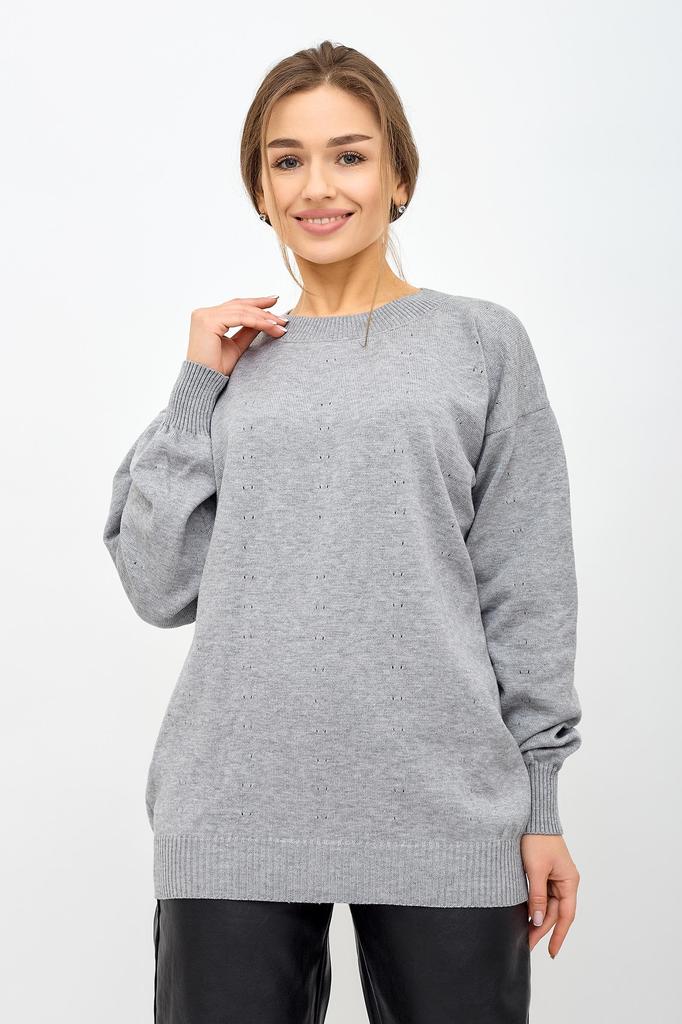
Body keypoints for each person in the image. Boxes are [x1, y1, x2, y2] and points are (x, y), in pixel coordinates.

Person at [103, 40, 582, 1024]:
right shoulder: (230, 364)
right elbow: (156, 584)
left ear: (399, 176)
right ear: (261, 187)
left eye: (349, 155)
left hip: (445, 809)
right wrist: (195, 385)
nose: (317, 185)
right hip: (233, 810)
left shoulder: (479, 342)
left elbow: (526, 585)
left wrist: (540, 803)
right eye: (287, 160)